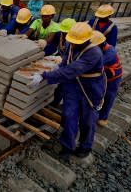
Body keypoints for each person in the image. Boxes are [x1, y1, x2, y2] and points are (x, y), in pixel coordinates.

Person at [27, 22, 105, 160]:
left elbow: (71, 70)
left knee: (88, 120)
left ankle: (85, 146)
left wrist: (45, 76)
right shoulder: (70, 43)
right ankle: (68, 146)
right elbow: (65, 63)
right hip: (73, 86)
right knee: (69, 116)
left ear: (86, 40)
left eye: (77, 43)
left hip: (90, 88)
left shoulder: (94, 53)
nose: (73, 44)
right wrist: (54, 69)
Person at [91, 31, 123, 127]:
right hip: (103, 73)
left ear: (101, 44)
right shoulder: (98, 49)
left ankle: (103, 117)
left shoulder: (110, 53)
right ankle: (93, 111)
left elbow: (96, 64)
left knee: (108, 96)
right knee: (96, 93)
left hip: (113, 77)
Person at [49, 17, 76, 108]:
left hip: (72, 66)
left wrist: (62, 62)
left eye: (66, 32)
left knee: (64, 87)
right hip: (63, 58)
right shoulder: (61, 35)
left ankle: (58, 105)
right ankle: (53, 104)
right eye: (63, 32)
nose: (64, 34)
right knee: (59, 87)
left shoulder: (75, 42)